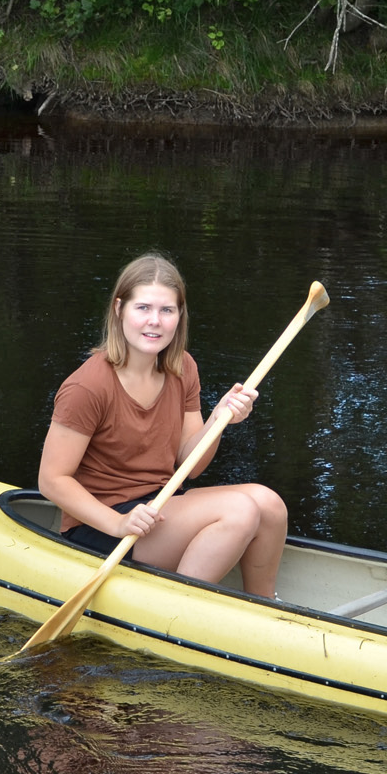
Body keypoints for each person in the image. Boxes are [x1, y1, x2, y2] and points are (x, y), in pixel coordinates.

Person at [37, 253, 289, 597]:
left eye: (166, 310)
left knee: (270, 504)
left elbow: (192, 465)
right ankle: (176, 610)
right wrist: (118, 522)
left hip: (160, 504)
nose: (154, 321)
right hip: (102, 524)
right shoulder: (88, 387)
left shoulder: (182, 368)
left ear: (179, 316)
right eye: (143, 308)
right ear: (119, 309)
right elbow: (52, 481)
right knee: (239, 510)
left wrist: (219, 418)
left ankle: (263, 607)